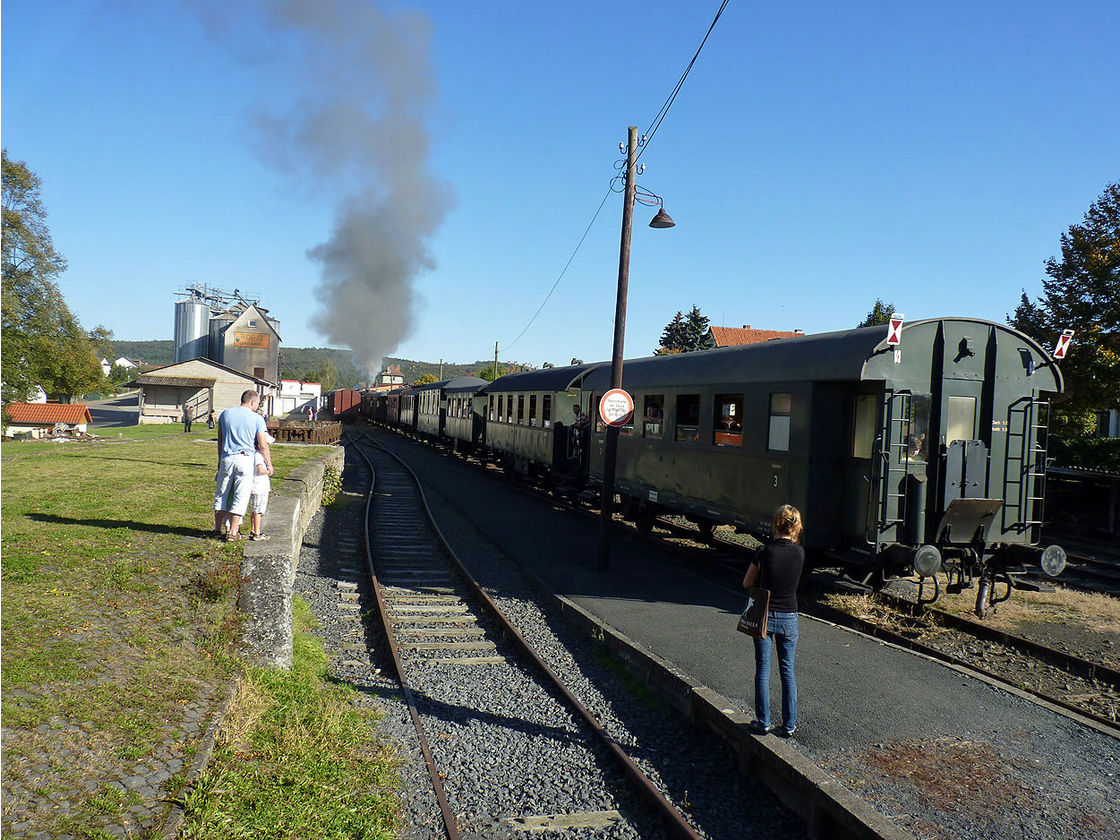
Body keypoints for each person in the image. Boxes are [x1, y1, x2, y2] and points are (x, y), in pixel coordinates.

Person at [743, 504, 805, 737]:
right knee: (787, 671)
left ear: (776, 524)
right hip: (790, 616)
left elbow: (747, 583)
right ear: (795, 526)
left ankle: (764, 722)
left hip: (765, 616)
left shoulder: (763, 552)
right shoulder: (800, 553)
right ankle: (789, 725)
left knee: (763, 670)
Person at [214, 390, 273, 541]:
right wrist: (269, 464)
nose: (257, 406)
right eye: (257, 403)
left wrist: (220, 461)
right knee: (241, 496)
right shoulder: (257, 418)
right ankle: (233, 532)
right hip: (245, 459)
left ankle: (217, 529)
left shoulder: (225, 414)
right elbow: (263, 444)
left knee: (221, 494)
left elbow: (220, 440)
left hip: (227, 457)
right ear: (252, 402)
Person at [248, 433, 275, 541]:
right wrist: (268, 471)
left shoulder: (257, 454)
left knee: (257, 510)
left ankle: (254, 529)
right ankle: (257, 532)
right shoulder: (258, 455)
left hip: (261, 485)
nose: (268, 446)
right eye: (266, 444)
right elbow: (259, 469)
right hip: (258, 485)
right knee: (258, 510)